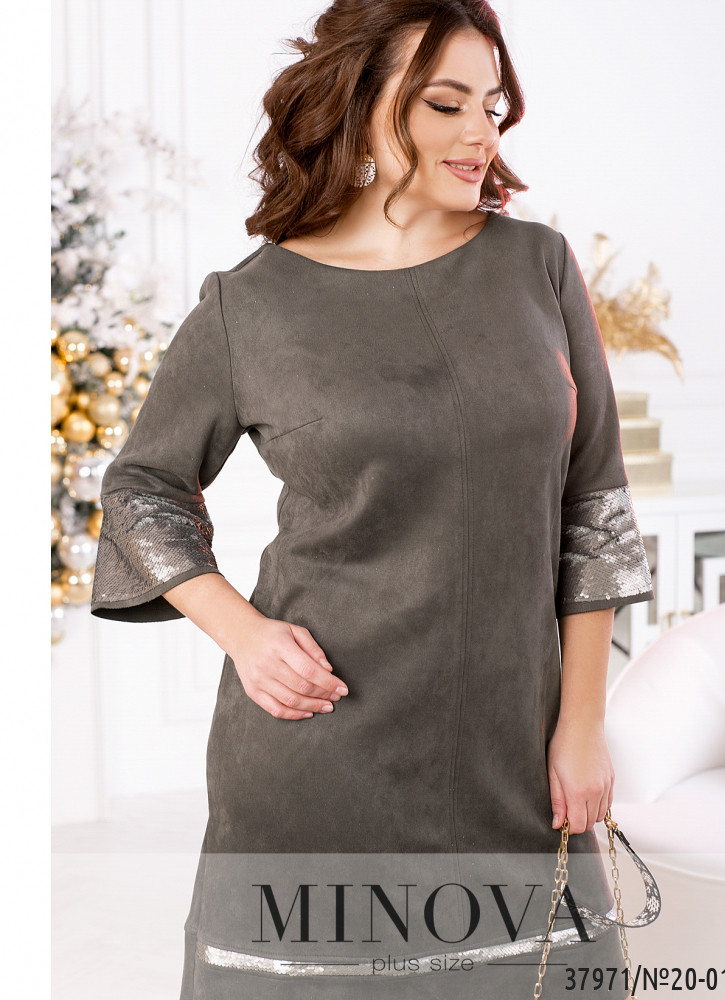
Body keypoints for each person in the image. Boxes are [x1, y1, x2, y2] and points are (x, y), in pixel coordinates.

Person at [90, 1, 654, 997]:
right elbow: (141, 486)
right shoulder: (250, 304)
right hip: (320, 753)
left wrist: (581, 724)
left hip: (513, 750)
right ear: (360, 102)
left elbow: (592, 501)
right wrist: (243, 633)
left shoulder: (537, 267)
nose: (481, 134)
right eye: (446, 104)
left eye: (492, 106)